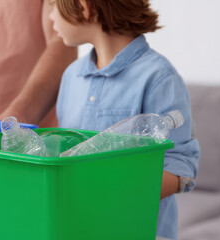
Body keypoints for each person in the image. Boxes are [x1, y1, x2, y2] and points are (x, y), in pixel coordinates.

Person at [49, 0, 200, 238]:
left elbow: (180, 166)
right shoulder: (72, 76)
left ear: (85, 7)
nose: (51, 16)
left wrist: (110, 193)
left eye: (54, 5)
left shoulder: (158, 77)